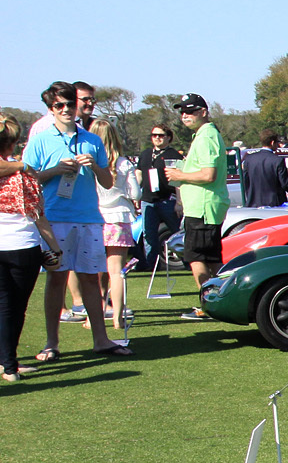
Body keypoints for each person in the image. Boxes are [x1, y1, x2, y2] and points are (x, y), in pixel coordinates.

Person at [22, 89, 123, 358]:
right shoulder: (40, 140)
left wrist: (95, 166)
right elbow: (28, 181)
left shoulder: (92, 140)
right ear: (51, 108)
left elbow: (108, 182)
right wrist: (55, 170)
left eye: (70, 104)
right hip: (55, 219)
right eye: (59, 105)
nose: (66, 109)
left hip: (89, 219)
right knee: (56, 279)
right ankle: (51, 343)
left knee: (92, 279)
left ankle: (101, 340)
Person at [0, 115, 61, 382]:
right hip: (23, 246)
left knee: (3, 306)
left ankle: (7, 363)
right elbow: (39, 216)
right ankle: (9, 364)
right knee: (15, 308)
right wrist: (55, 249)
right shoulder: (23, 175)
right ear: (12, 143)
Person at [161, 95, 230, 317]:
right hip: (204, 207)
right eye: (182, 112)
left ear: (203, 112)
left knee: (197, 258)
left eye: (190, 111)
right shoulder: (204, 135)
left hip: (203, 208)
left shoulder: (206, 135)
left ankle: (209, 305)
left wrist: (180, 174)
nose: (185, 115)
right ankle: (220, 302)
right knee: (209, 259)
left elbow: (209, 174)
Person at [91, 120, 138, 330]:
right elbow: (136, 193)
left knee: (93, 272)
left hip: (94, 219)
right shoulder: (124, 163)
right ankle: (118, 318)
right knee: (116, 272)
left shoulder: (89, 163)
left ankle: (91, 317)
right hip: (119, 218)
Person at [135, 123, 178, 272]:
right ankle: (150, 265)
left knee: (177, 233)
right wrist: (135, 195)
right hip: (147, 200)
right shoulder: (145, 154)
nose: (157, 138)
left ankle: (187, 262)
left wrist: (179, 202)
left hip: (167, 200)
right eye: (154, 135)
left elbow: (178, 181)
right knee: (149, 235)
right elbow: (139, 174)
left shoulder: (174, 155)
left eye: (161, 135)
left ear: (168, 138)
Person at [239, 134, 288, 209]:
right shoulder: (278, 160)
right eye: (277, 142)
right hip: (274, 205)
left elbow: (246, 181)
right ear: (272, 142)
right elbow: (285, 184)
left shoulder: (249, 159)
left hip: (253, 204)